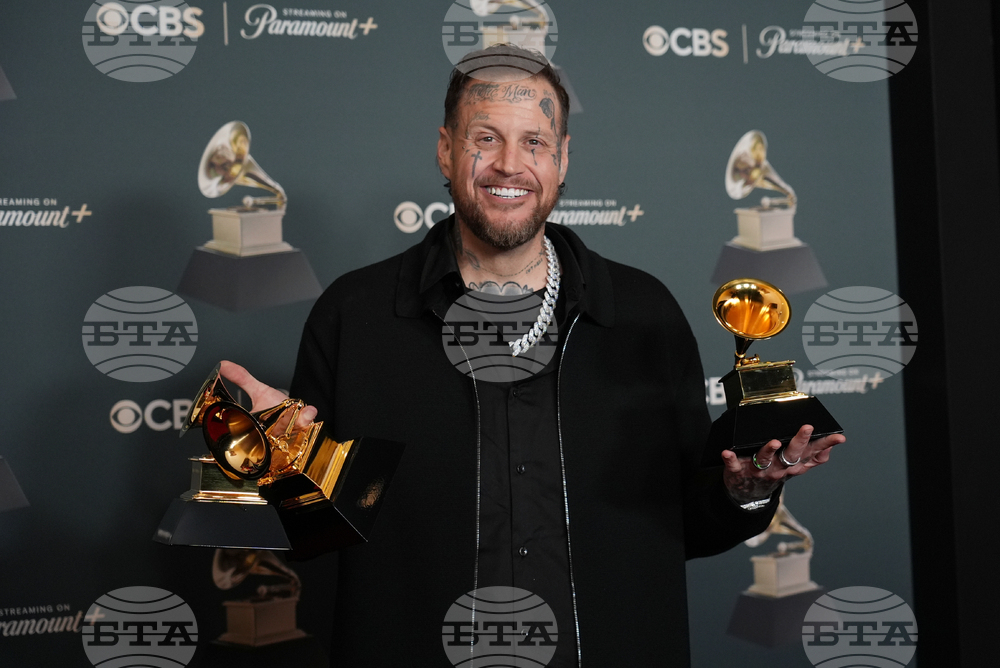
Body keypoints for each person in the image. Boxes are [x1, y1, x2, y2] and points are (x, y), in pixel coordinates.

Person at [219, 44, 844, 667]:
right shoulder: (353, 314)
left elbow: (685, 522)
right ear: (445, 149)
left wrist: (744, 490)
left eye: (535, 142)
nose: (509, 165)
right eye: (485, 138)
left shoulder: (642, 311)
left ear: (564, 156)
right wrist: (284, 461)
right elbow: (321, 537)